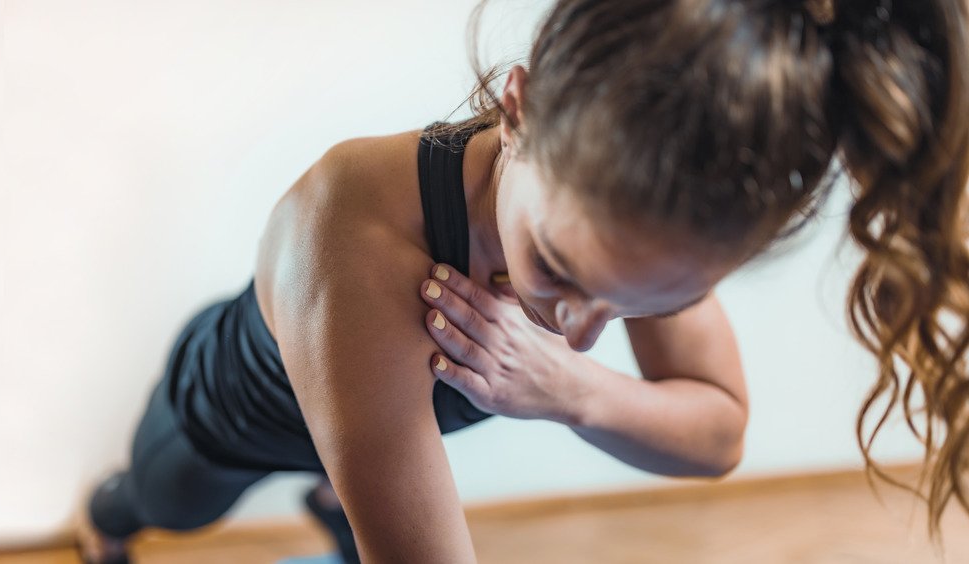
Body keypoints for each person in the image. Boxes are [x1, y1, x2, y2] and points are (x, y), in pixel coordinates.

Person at [76, 0, 969, 562]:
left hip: (376, 425)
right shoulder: (350, 232)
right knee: (161, 505)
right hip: (229, 416)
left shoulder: (649, 229)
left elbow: (719, 435)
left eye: (644, 303)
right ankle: (106, 520)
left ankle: (333, 491)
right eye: (559, 268)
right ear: (521, 108)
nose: (577, 330)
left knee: (356, 498)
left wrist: (572, 394)